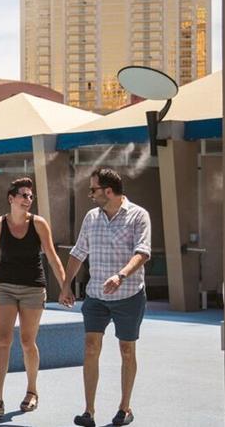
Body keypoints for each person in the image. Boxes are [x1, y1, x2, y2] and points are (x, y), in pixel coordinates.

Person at [60, 168, 151, 427]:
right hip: (96, 296)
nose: (90, 194)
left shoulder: (138, 215)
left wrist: (120, 276)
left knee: (127, 351)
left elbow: (142, 253)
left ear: (108, 191)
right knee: (90, 347)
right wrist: (66, 285)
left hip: (129, 294)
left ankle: (125, 408)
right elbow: (78, 253)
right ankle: (88, 411)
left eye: (93, 190)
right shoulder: (91, 217)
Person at [0, 177, 67, 417]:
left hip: (33, 289)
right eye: (24, 195)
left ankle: (32, 391)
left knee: (27, 342)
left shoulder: (39, 224)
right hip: (5, 287)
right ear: (11, 198)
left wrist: (65, 286)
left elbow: (51, 256)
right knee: (3, 340)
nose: (28, 199)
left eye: (30, 196)